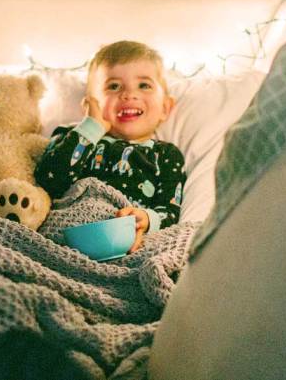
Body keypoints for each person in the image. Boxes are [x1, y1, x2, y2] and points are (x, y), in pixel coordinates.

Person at [35, 41, 185, 253]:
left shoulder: (166, 155)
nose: (128, 94)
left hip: (126, 244)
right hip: (63, 240)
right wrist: (91, 127)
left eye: (144, 85)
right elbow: (48, 180)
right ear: (89, 104)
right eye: (113, 86)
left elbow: (170, 210)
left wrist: (146, 219)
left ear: (165, 108)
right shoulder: (72, 136)